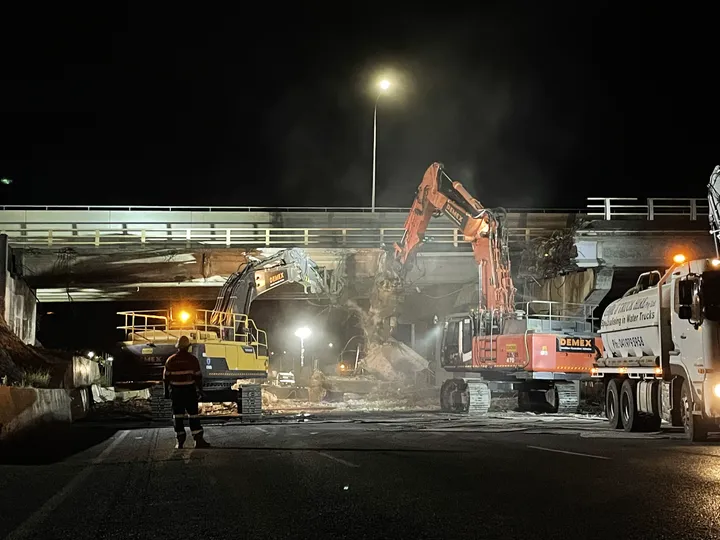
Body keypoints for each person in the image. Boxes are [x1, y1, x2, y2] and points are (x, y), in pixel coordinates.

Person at [163, 336, 210, 449]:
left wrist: (166, 392)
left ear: (178, 347)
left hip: (176, 392)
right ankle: (198, 441)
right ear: (188, 347)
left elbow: (166, 378)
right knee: (193, 416)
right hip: (189, 392)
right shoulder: (192, 360)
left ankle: (179, 442)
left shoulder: (171, 360)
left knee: (178, 417)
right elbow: (198, 377)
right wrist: (200, 391)